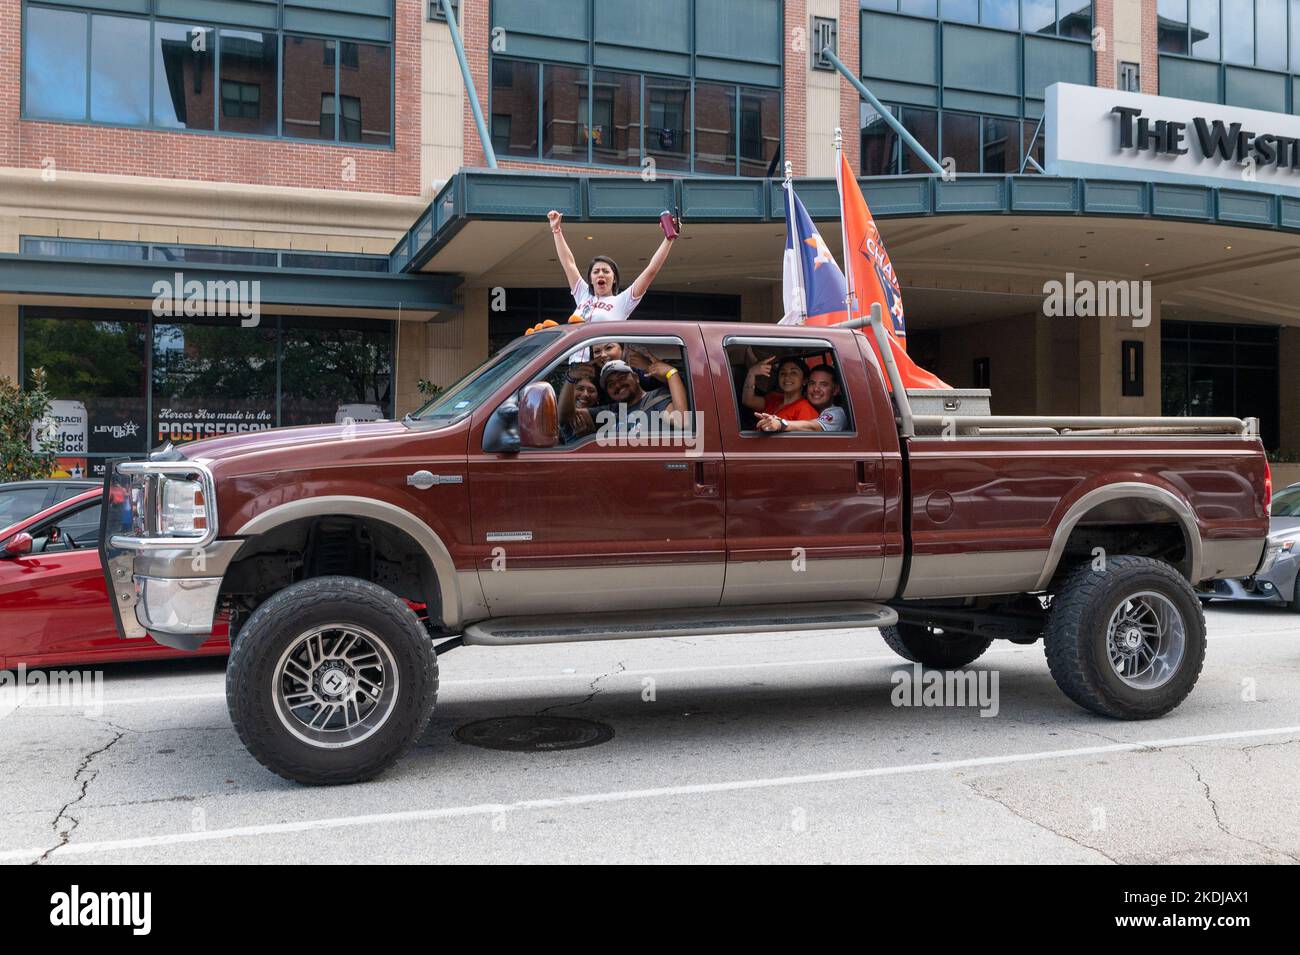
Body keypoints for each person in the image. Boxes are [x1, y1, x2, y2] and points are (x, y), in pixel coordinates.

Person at [547, 210, 676, 323]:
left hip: (602, 351)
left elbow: (651, 270)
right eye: (596, 272)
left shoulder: (622, 301)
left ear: (614, 278)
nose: (601, 274)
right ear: (591, 279)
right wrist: (556, 230)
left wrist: (668, 239)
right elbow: (569, 264)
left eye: (606, 271)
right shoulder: (583, 294)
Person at [561, 358, 688, 438]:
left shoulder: (656, 397)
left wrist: (672, 374)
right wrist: (570, 379)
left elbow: (680, 421)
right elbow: (566, 416)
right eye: (610, 384)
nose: (617, 385)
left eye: (622, 377)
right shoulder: (612, 411)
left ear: (636, 378)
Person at [757, 364, 847, 433]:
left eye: (823, 384)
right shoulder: (800, 402)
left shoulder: (837, 413)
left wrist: (781, 424)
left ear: (835, 390)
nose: (816, 389)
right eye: (812, 383)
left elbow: (813, 427)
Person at [741, 356, 818, 424]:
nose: (787, 377)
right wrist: (751, 373)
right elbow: (748, 400)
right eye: (783, 373)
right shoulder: (775, 399)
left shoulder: (805, 409)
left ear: (804, 380)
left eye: (793, 373)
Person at [559, 372, 600, 444]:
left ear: (598, 398)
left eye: (591, 391)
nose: (585, 394)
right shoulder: (555, 416)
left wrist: (588, 438)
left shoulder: (603, 417)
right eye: (580, 389)